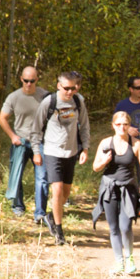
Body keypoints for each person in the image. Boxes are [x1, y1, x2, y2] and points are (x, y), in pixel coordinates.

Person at [32, 72, 91, 245]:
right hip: (51, 152)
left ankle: (51, 216)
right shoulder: (49, 102)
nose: (70, 91)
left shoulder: (78, 102)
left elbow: (85, 126)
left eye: (73, 88)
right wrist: (36, 151)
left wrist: (85, 149)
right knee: (56, 190)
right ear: (59, 86)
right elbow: (36, 129)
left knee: (65, 193)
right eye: (66, 88)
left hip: (70, 152)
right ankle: (59, 232)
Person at [91, 111, 140, 275]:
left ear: (129, 125)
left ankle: (129, 257)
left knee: (125, 226)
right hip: (109, 189)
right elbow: (95, 167)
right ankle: (119, 262)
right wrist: (104, 161)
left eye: (125, 124)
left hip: (128, 189)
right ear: (113, 125)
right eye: (118, 124)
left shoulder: (136, 144)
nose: (122, 127)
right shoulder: (106, 143)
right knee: (114, 228)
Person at [0, 66, 50, 224]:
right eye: (26, 80)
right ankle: (18, 207)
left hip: (40, 142)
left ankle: (40, 213)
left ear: (37, 79)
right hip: (21, 141)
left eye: (32, 81)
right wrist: (13, 136)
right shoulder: (14, 97)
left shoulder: (45, 96)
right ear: (21, 79)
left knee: (42, 177)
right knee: (17, 174)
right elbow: (2, 118)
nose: (29, 84)